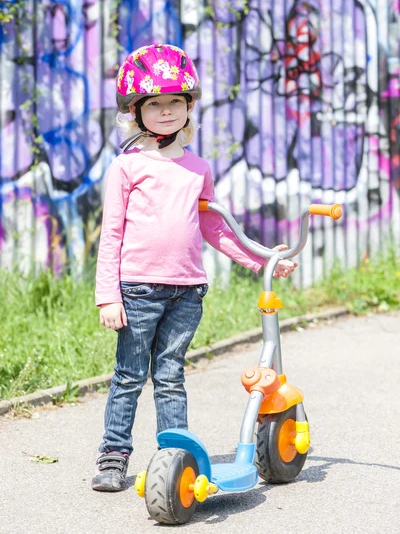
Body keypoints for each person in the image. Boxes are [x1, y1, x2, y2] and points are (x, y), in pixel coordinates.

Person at [92, 43, 298, 492]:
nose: (167, 111)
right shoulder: (126, 168)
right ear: (136, 110)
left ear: (188, 107)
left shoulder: (197, 168)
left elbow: (217, 229)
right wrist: (107, 295)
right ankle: (113, 456)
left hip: (187, 291)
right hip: (137, 290)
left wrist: (263, 259)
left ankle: (176, 457)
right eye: (156, 103)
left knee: (170, 376)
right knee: (129, 375)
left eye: (176, 102)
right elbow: (112, 235)